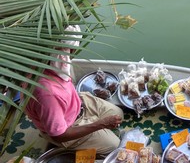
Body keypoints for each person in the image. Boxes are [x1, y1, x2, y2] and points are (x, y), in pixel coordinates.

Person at [25, 25, 123, 155]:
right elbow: (59, 135)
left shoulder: (53, 63)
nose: (70, 53)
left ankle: (91, 123)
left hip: (77, 104)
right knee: (113, 145)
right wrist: (100, 124)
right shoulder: (47, 94)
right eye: (66, 49)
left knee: (118, 113)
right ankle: (71, 146)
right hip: (67, 128)